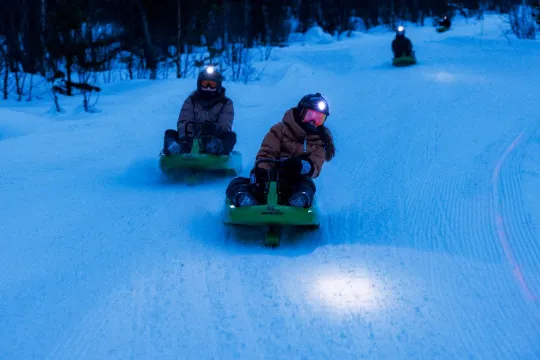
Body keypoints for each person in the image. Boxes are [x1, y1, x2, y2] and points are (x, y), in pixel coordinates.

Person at [226, 93, 336, 208]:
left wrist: (300, 165)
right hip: (269, 176)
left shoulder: (319, 143)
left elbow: (315, 167)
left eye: (319, 119)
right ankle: (244, 198)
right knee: (238, 182)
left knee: (308, 184)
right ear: (300, 113)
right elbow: (267, 152)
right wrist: (263, 171)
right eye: (310, 116)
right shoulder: (280, 130)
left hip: (293, 180)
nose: (313, 122)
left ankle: (300, 200)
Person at [162, 66, 236, 156]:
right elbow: (184, 120)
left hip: (214, 138)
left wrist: (214, 129)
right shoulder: (191, 100)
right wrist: (188, 136)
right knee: (170, 133)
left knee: (230, 136)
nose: (208, 88)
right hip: (190, 139)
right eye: (205, 84)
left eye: (212, 85)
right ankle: (175, 148)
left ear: (218, 86)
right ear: (199, 85)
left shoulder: (225, 103)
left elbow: (225, 123)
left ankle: (215, 147)